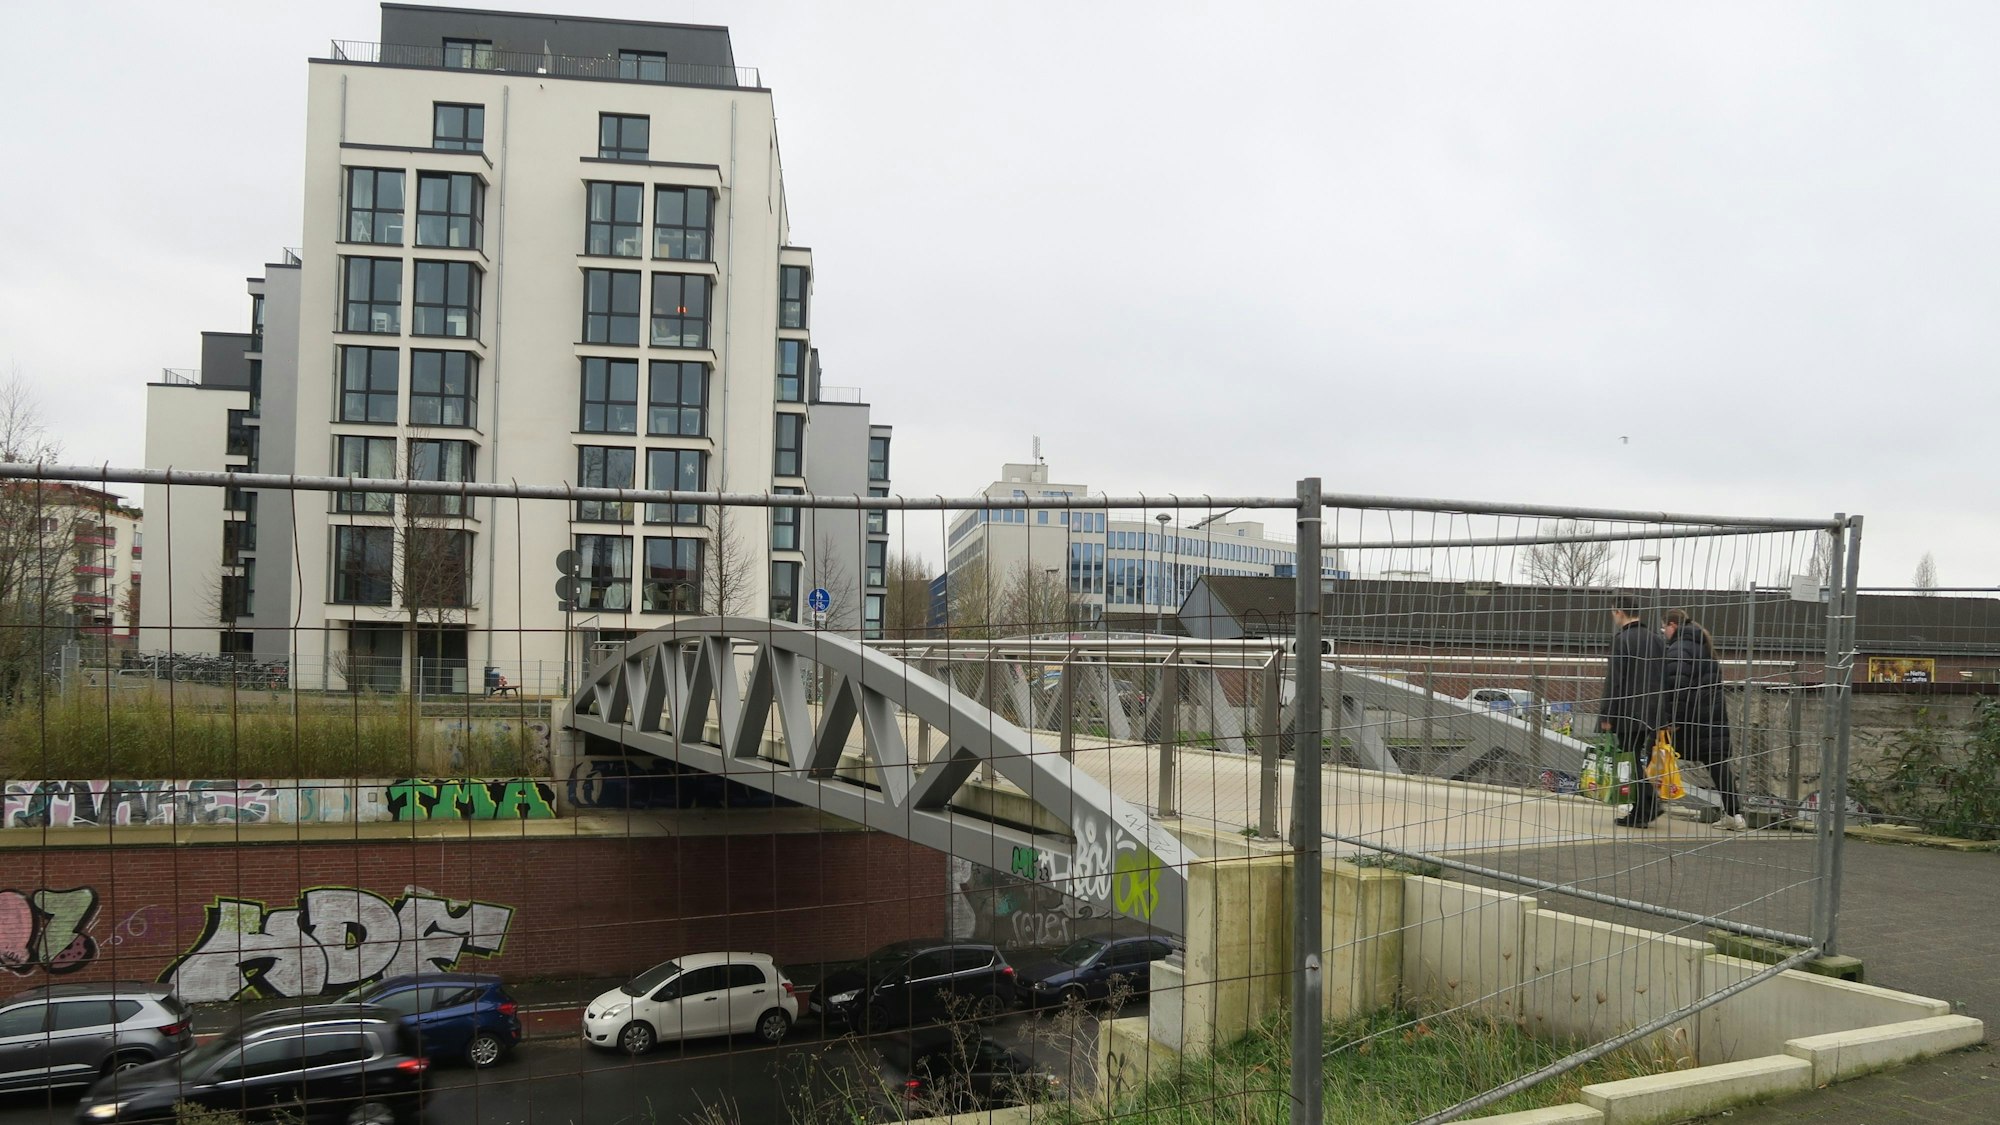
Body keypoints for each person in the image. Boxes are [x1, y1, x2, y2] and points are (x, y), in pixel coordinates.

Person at [1663, 608, 1747, 831]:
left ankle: (1646, 803)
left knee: (1656, 752)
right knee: (1718, 764)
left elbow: (1676, 685)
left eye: (1665, 628)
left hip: (1689, 718)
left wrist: (1672, 719)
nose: (1664, 633)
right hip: (1711, 716)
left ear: (1672, 625)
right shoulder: (1704, 646)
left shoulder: (1680, 647)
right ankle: (1734, 814)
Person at [1598, 599, 1666, 828]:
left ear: (1619, 612)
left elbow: (1615, 681)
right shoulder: (1656, 639)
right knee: (1636, 758)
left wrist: (1607, 715)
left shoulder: (1622, 640)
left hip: (1628, 712)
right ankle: (1643, 808)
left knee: (1630, 758)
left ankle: (1647, 805)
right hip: (1652, 711)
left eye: (1613, 613)